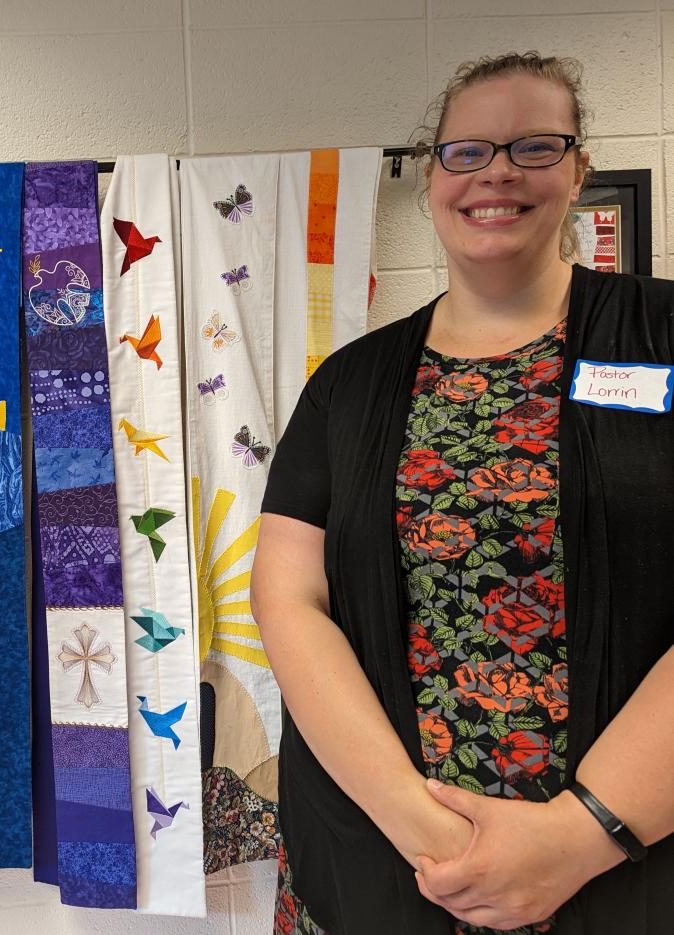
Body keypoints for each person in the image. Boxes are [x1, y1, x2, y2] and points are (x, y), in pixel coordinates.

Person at [252, 51, 674, 935]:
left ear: (579, 171)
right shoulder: (348, 386)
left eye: (534, 145)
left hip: (633, 864)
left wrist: (581, 833)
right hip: (386, 861)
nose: (499, 173)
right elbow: (287, 597)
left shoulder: (664, 335)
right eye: (468, 151)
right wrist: (421, 826)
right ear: (433, 176)